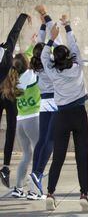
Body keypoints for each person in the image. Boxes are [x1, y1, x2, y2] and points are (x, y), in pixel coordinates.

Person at [41, 15, 88, 212]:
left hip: (61, 116)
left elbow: (45, 57)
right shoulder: (77, 67)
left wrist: (52, 37)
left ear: (56, 59)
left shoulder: (53, 72)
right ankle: (84, 194)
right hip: (79, 114)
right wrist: (68, 26)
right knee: (82, 156)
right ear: (69, 57)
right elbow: (75, 46)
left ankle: (51, 193)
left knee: (59, 157)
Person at [28, 5, 62, 197]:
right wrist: (46, 15)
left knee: (42, 140)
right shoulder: (50, 60)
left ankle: (35, 178)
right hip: (55, 101)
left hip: (43, 100)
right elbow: (53, 44)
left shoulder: (38, 59)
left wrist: (43, 24)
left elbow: (40, 44)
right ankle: (38, 173)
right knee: (50, 140)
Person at [1, 48, 40, 200]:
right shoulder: (31, 76)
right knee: (38, 154)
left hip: (20, 123)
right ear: (27, 64)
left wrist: (31, 46)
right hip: (33, 119)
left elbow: (25, 58)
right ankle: (33, 190)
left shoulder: (14, 80)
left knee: (26, 155)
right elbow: (35, 57)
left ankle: (18, 188)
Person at [0, 13, 30, 188]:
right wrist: (23, 16)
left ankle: (4, 167)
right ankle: (5, 166)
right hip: (9, 97)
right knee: (10, 131)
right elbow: (14, 32)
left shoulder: (6, 51)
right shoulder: (8, 52)